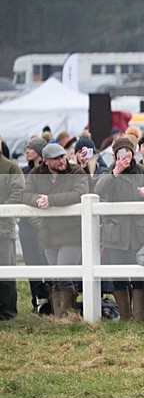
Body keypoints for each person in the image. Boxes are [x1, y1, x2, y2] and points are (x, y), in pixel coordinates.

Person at [94, 133, 144, 321]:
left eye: (128, 152)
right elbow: (98, 190)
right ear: (115, 155)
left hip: (138, 233)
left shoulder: (143, 172)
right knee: (118, 276)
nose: (125, 156)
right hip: (116, 234)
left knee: (139, 275)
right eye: (121, 152)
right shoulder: (109, 172)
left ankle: (138, 317)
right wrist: (115, 172)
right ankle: (125, 317)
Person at [22, 143, 89, 318]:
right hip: (48, 233)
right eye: (56, 158)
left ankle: (66, 316)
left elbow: (80, 193)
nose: (62, 161)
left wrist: (51, 200)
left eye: (63, 156)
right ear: (45, 161)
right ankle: (60, 316)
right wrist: (37, 199)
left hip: (72, 233)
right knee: (55, 276)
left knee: (63, 274)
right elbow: (25, 194)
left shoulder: (76, 172)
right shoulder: (36, 174)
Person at [19, 136, 51, 313]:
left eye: (30, 148)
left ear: (39, 151)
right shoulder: (23, 172)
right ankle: (36, 300)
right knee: (31, 263)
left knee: (45, 261)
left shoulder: (48, 173)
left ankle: (49, 301)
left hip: (46, 226)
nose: (26, 151)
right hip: (27, 226)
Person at [0, 149, 24, 319]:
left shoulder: (11, 168)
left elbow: (18, 193)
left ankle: (7, 312)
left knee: (6, 271)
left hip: (3, 228)